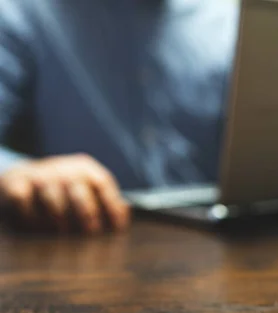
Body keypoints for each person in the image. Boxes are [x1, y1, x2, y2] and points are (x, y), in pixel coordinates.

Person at [0, 0, 239, 234]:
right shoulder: (21, 11)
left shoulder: (227, 20)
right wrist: (16, 172)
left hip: (215, 240)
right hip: (84, 236)